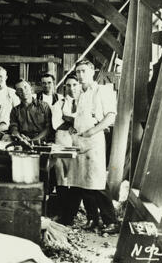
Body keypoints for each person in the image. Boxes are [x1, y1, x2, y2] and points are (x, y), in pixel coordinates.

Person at [67, 59, 118, 234]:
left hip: (94, 141)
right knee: (83, 182)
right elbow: (81, 116)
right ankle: (92, 219)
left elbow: (110, 116)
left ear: (92, 72)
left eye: (84, 71)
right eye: (78, 72)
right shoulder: (81, 93)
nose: (81, 75)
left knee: (97, 182)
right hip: (80, 141)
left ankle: (111, 221)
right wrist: (75, 127)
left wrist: (92, 131)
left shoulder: (102, 90)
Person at [50, 74, 83, 225]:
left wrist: (68, 119)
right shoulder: (58, 105)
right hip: (62, 142)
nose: (72, 88)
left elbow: (86, 122)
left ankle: (71, 215)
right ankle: (63, 214)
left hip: (77, 143)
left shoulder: (84, 103)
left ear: (79, 85)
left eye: (75, 84)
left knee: (76, 179)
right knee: (62, 179)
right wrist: (74, 123)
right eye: (68, 85)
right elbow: (56, 124)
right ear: (65, 87)